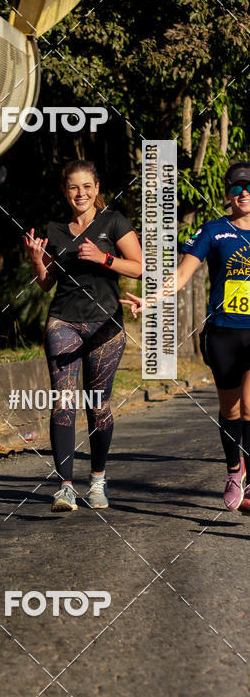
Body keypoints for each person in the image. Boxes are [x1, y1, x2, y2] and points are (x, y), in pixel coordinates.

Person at [122, 161, 250, 513]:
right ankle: (233, 470)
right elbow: (180, 277)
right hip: (223, 332)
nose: (244, 193)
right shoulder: (213, 230)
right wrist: (149, 299)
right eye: (237, 187)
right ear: (228, 193)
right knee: (231, 409)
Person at [24, 160, 143, 512]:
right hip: (64, 320)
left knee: (97, 404)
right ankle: (63, 487)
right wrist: (36, 260)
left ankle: (97, 481)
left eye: (87, 186)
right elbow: (46, 284)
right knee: (63, 400)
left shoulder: (114, 221)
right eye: (74, 187)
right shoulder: (55, 229)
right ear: (65, 191)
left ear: (97, 187)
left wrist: (105, 259)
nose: (81, 193)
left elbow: (139, 268)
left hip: (105, 326)